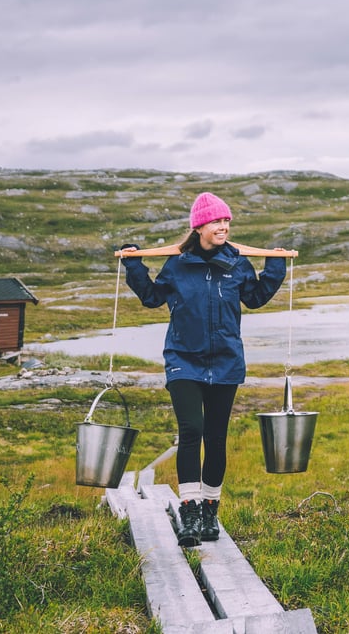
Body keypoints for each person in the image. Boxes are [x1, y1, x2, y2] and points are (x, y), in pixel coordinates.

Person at [121, 192, 286, 546]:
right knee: (191, 429)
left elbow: (255, 298)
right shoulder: (178, 265)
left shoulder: (238, 264)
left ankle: (210, 510)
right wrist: (134, 264)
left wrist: (274, 264)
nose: (224, 227)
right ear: (199, 227)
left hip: (226, 360)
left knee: (215, 437)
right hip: (183, 359)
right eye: (216, 221)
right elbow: (152, 297)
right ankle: (190, 510)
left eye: (227, 221)